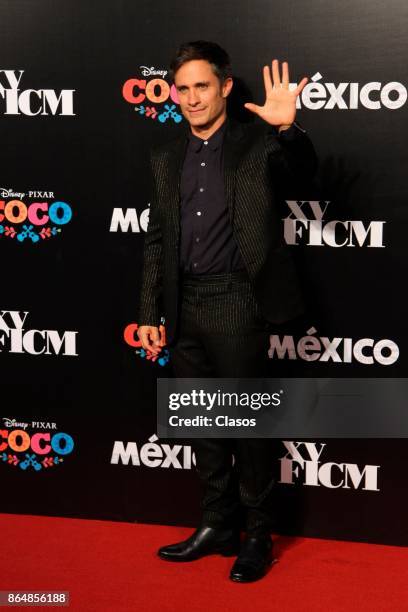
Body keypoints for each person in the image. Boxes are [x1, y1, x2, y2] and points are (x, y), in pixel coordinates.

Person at [137, 40, 317, 582]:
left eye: (202, 87)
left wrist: (288, 129)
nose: (191, 99)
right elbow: (156, 241)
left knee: (244, 425)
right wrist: (150, 310)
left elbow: (305, 180)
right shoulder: (165, 157)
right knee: (205, 425)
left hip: (237, 299)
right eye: (183, 88)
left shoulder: (257, 143)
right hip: (183, 305)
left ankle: (258, 534)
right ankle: (217, 524)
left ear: (225, 87)